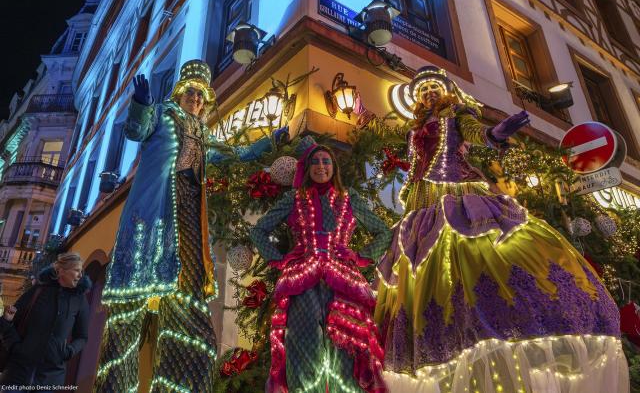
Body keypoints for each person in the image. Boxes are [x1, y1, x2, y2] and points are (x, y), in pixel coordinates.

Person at [375, 66, 628, 392]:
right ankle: (446, 338)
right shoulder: (417, 128)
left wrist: (494, 135)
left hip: (457, 191)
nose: (428, 94)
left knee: (478, 253)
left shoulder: (456, 114)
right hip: (421, 201)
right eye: (422, 91)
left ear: (446, 91)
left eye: (433, 87)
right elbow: (418, 164)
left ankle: (497, 320)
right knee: (421, 273)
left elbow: (474, 132)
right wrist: (404, 177)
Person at [94, 59, 288, 393]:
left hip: (188, 228)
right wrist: (140, 105)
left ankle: (178, 386)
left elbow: (233, 154)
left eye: (201, 95)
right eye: (192, 92)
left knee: (192, 319)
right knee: (127, 315)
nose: (196, 99)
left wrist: (269, 143)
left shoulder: (202, 134)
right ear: (181, 92)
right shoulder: (161, 115)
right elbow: (135, 131)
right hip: (152, 220)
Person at [250, 137, 392, 393]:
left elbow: (383, 231)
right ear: (307, 168)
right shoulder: (294, 198)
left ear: (334, 167)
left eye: (326, 161)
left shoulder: (350, 198)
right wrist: (278, 259)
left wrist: (361, 257)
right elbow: (259, 230)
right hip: (302, 280)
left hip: (344, 281)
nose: (321, 166)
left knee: (345, 344)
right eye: (315, 161)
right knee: (305, 344)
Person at [0, 252, 90, 391]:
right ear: (61, 271)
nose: (80, 275)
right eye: (77, 270)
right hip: (17, 373)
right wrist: (16, 347)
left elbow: (82, 337)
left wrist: (68, 352)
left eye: (81, 271)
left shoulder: (80, 300)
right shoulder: (38, 291)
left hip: (50, 378)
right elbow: (9, 321)